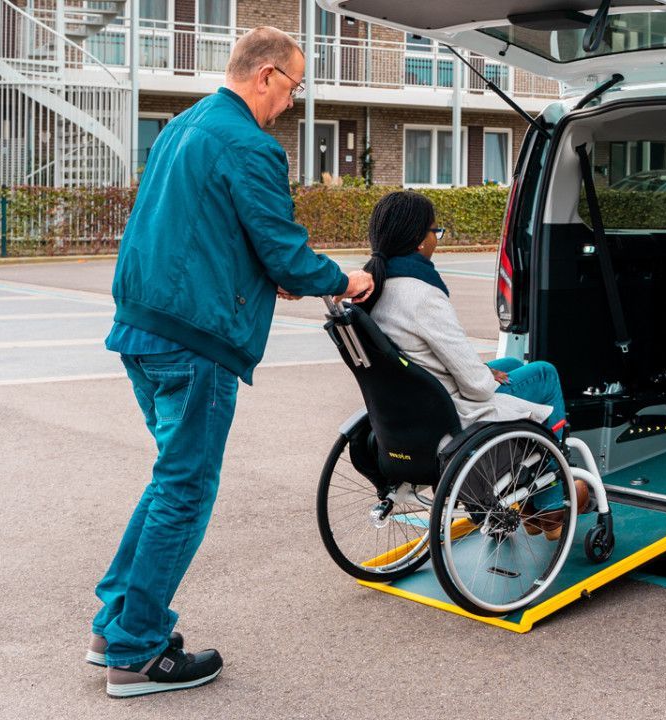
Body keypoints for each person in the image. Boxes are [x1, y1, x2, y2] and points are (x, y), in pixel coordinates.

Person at [91, 26, 374, 699]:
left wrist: (257, 268)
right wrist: (345, 280)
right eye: (294, 87)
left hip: (142, 328)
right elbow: (285, 251)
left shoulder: (183, 127)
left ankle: (117, 622)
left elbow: (195, 226)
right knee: (185, 490)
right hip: (197, 341)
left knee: (170, 482)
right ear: (267, 75)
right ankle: (136, 652)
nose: (292, 104)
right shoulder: (249, 144)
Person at [355, 191, 589, 537]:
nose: (437, 238)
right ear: (420, 241)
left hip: (405, 409)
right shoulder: (421, 295)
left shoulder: (372, 288)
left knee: (507, 363)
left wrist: (484, 370)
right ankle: (551, 504)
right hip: (449, 412)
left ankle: (531, 498)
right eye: (437, 231)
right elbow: (477, 388)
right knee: (544, 373)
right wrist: (482, 375)